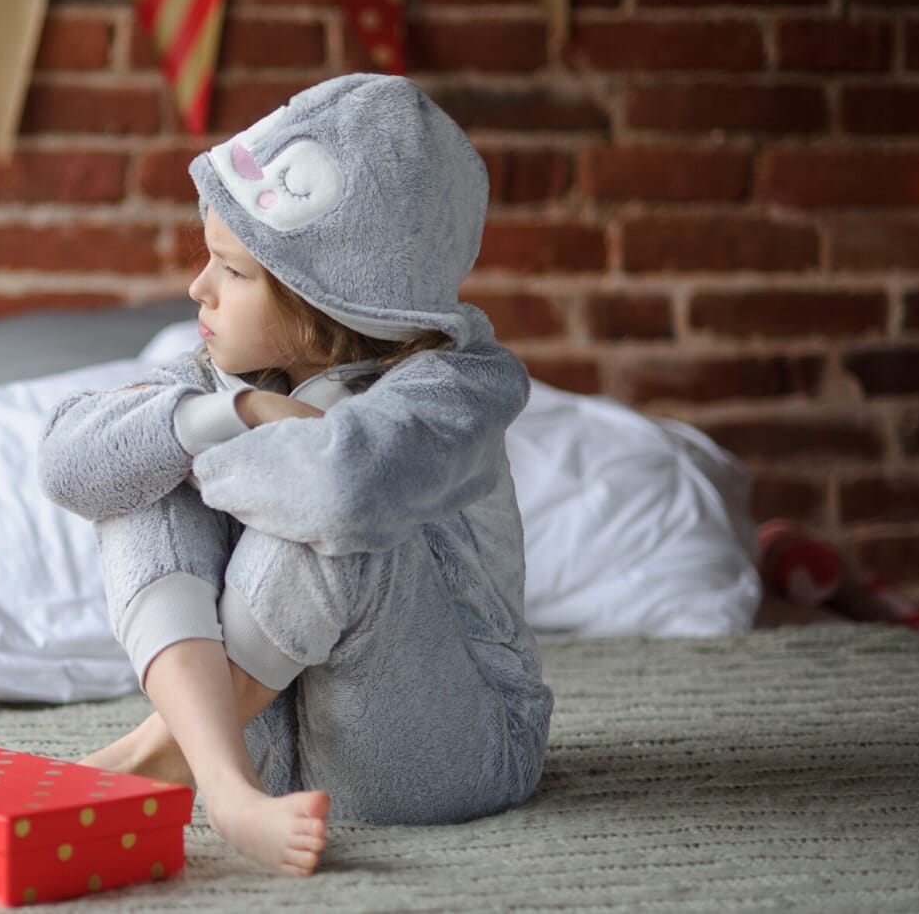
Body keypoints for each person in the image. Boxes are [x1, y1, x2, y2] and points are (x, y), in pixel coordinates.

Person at [37, 74, 554, 876]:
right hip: (268, 754)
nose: (195, 289)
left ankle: (157, 759)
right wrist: (236, 416)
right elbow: (69, 464)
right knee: (141, 459)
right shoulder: (237, 374)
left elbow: (344, 490)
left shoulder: (461, 388)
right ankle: (220, 780)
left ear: (331, 299)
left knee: (342, 512)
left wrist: (205, 450)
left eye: (233, 273)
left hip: (440, 753)